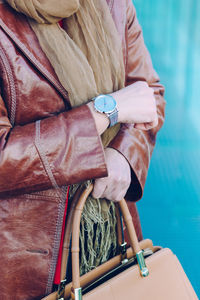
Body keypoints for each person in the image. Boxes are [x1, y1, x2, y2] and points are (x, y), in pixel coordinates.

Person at [0, 0, 165, 299]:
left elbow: (147, 94)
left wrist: (123, 155)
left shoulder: (113, 4)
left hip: (110, 243)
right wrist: (104, 114)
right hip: (24, 263)